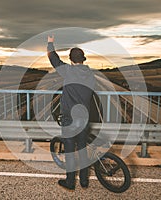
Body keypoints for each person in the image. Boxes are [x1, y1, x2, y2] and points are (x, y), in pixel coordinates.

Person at [47, 35, 96, 190]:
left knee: (69, 151)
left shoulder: (68, 71)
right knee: (82, 149)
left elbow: (53, 58)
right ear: (83, 59)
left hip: (69, 119)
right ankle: (84, 181)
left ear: (70, 59)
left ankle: (70, 183)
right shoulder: (90, 74)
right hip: (84, 118)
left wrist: (50, 43)